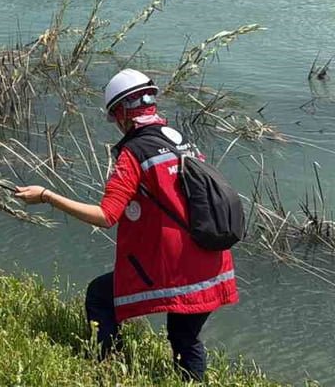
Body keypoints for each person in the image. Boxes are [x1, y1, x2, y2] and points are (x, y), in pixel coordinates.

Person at [14, 69, 237, 381]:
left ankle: (106, 370)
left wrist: (48, 196)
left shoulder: (133, 153)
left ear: (121, 113)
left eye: (115, 116)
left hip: (177, 267)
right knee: (185, 337)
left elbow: (106, 216)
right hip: (214, 260)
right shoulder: (182, 141)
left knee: (100, 296)